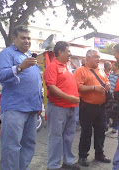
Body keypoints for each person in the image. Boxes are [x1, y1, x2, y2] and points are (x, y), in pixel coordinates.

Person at [0, 25, 42, 170]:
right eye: (23, 38)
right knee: (11, 147)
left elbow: (36, 81)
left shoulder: (29, 55)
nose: (27, 41)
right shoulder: (6, 54)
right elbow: (1, 75)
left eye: (29, 38)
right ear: (14, 38)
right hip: (14, 108)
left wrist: (39, 104)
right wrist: (19, 67)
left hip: (32, 108)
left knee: (29, 144)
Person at [44, 41, 80, 170]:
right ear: (60, 52)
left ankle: (68, 162)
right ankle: (53, 166)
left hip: (71, 107)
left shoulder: (67, 66)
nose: (70, 54)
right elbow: (51, 86)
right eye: (68, 51)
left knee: (68, 136)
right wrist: (69, 97)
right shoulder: (53, 66)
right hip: (58, 107)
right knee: (55, 137)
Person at [74, 49, 111, 167]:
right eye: (95, 57)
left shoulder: (100, 70)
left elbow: (106, 81)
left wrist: (108, 84)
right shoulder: (81, 70)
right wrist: (94, 88)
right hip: (87, 106)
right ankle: (83, 156)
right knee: (86, 132)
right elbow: (78, 87)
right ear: (88, 58)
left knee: (101, 131)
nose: (98, 59)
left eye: (99, 57)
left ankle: (99, 154)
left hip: (101, 107)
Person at [108, 62, 119, 133]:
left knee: (115, 111)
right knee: (108, 110)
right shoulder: (111, 74)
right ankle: (106, 127)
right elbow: (107, 81)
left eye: (113, 65)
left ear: (116, 66)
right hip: (109, 95)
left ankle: (115, 127)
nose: (111, 66)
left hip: (116, 96)